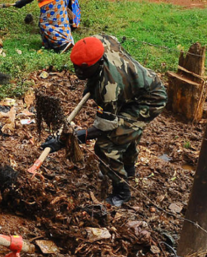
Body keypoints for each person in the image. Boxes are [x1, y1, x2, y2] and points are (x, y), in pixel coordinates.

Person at [41, 35, 167, 207]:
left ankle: (122, 191)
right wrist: (90, 81)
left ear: (100, 63)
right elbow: (108, 40)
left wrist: (67, 139)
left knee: (107, 145)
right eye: (76, 67)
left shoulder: (109, 89)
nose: (78, 73)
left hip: (149, 100)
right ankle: (128, 169)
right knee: (125, 133)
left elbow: (103, 128)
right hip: (133, 89)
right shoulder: (100, 42)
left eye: (84, 69)